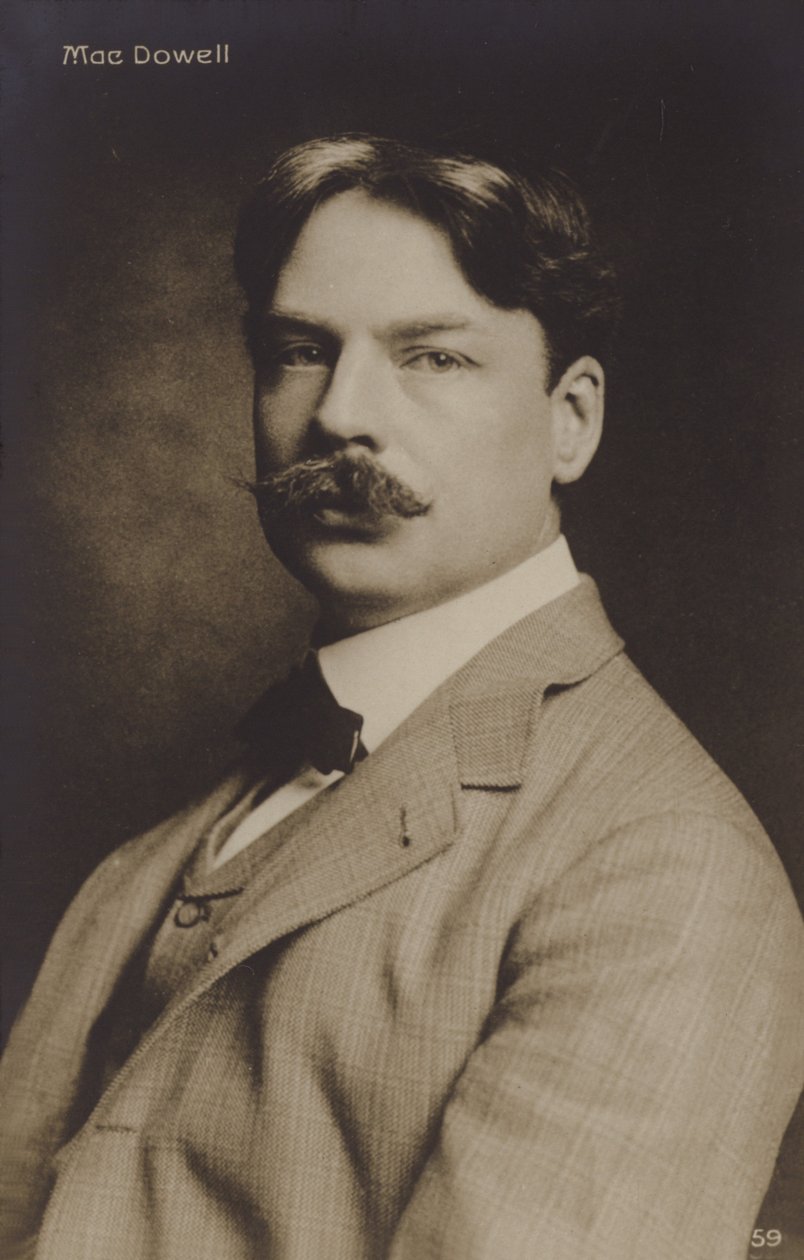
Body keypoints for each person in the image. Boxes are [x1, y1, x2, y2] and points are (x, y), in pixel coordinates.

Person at [1, 134, 802, 1260]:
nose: (339, 416)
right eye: (298, 350)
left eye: (432, 357)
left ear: (571, 419)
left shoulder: (661, 867)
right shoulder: (149, 859)